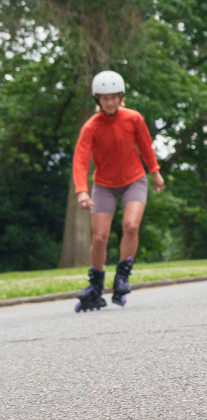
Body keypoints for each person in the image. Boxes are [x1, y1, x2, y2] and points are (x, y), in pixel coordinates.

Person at [72, 70, 164, 311]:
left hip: (135, 180)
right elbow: (80, 160)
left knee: (131, 226)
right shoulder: (91, 126)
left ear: (121, 97)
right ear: (98, 100)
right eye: (105, 98)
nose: (110, 102)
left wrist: (155, 172)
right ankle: (95, 284)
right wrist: (81, 190)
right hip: (103, 185)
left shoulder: (133, 118)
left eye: (114, 97)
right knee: (100, 237)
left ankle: (122, 275)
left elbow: (145, 146)